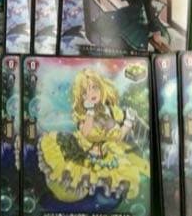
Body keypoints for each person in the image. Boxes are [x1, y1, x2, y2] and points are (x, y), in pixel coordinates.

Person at [37, 69, 149, 202]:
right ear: (82, 97)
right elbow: (86, 133)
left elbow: (118, 135)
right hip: (82, 152)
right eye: (85, 92)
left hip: (105, 155)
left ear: (101, 87)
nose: (91, 93)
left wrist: (128, 121)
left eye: (94, 88)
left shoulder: (111, 111)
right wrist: (90, 112)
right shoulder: (84, 115)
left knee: (120, 176)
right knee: (70, 187)